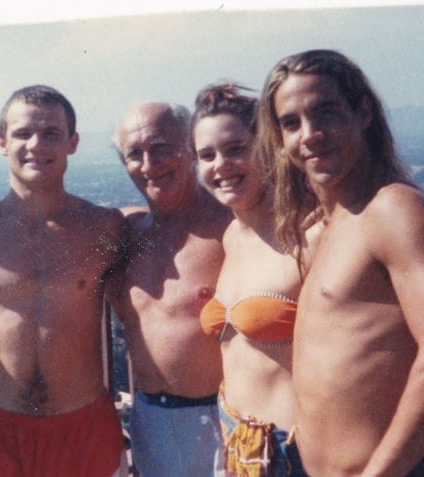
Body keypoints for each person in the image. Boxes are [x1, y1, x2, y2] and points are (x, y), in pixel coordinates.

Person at [256, 49, 424, 476]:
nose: (310, 134)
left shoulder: (394, 210)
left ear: (363, 113)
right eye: (291, 123)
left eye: (325, 113)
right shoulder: (330, 220)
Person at [0, 85, 128, 477]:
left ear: (72, 143)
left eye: (52, 133)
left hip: (84, 429)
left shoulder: (105, 228)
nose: (36, 144)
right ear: (2, 142)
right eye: (23, 133)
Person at [192, 83, 318, 477]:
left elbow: (383, 337)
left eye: (235, 149)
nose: (221, 165)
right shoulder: (232, 235)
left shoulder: (312, 233)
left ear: (269, 148)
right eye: (206, 155)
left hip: (298, 450)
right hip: (237, 444)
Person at [105, 102, 233, 476]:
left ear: (190, 148)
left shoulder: (231, 228)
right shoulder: (125, 232)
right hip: (150, 420)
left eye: (162, 147)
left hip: (220, 419)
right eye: (135, 154)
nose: (149, 165)